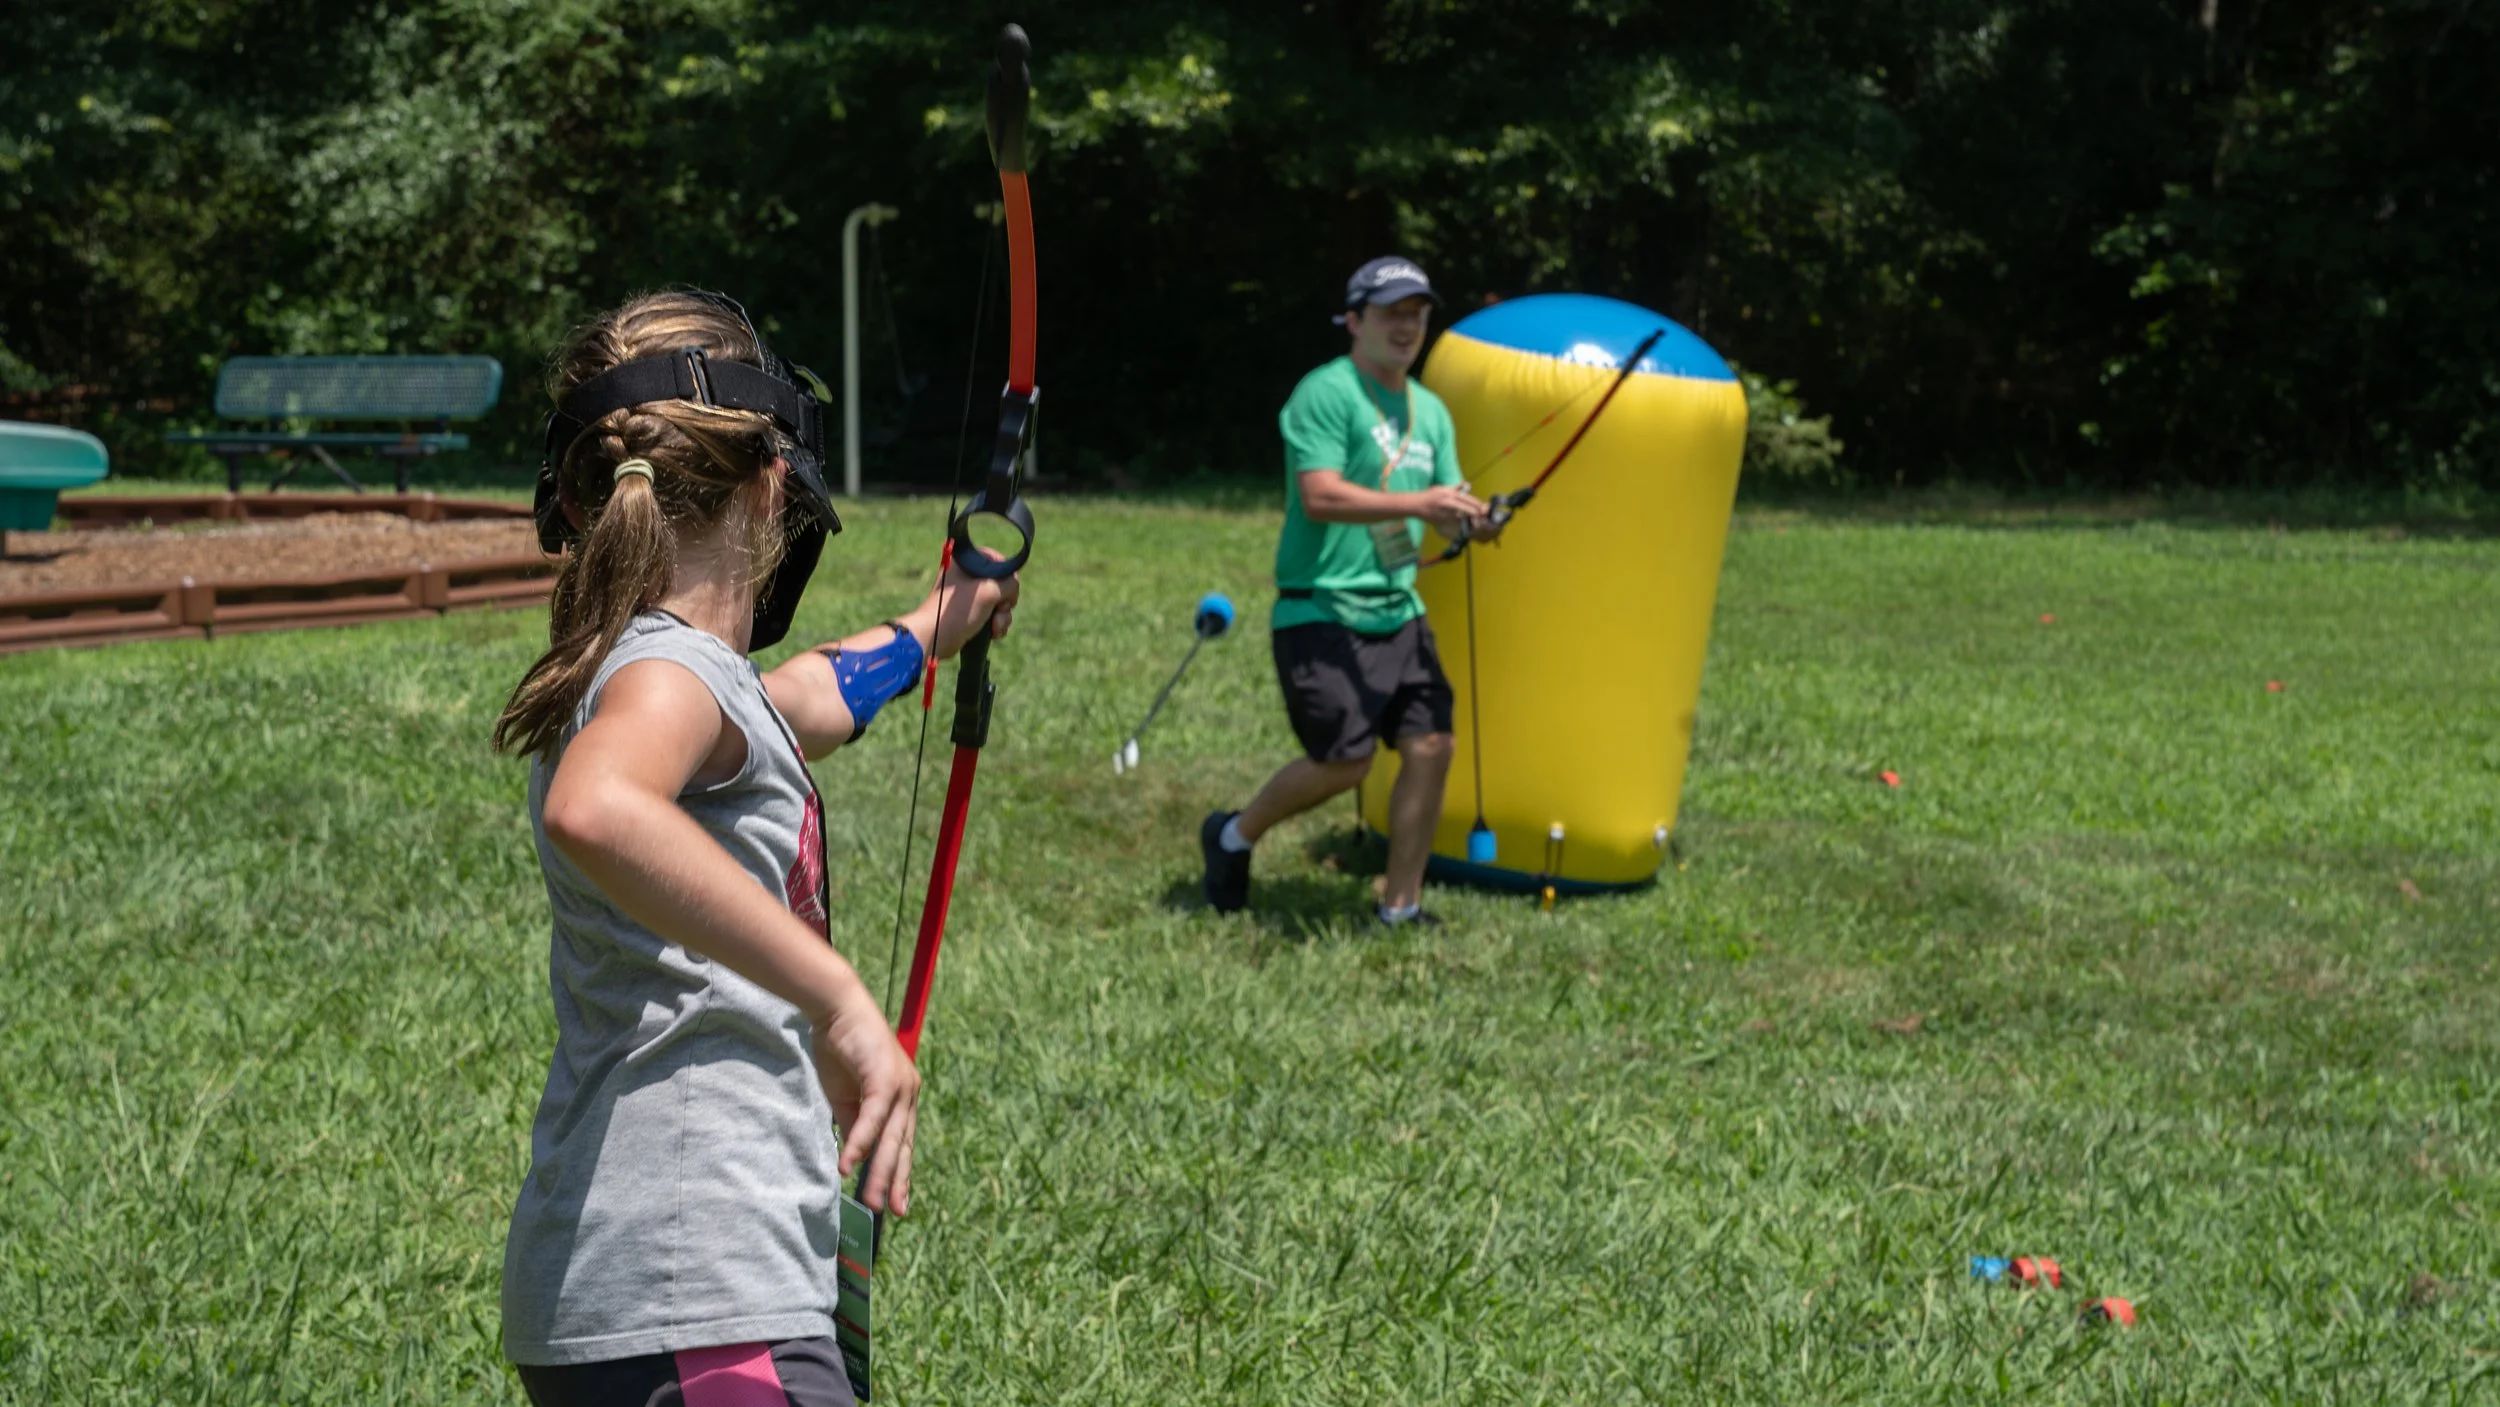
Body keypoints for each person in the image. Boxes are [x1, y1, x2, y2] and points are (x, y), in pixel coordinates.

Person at [493, 291, 1016, 1406]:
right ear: (778, 480)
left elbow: (805, 700)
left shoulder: (670, 673)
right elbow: (598, 805)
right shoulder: (665, 676)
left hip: (646, 1292)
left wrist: (939, 622)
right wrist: (837, 998)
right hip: (696, 1293)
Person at [1200, 257, 1498, 926]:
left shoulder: (1432, 412)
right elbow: (1321, 494)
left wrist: (1474, 521)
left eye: (1417, 314)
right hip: (1322, 608)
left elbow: (1443, 504)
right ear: (1355, 321)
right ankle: (1232, 835)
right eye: (1393, 312)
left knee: (1431, 745)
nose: (1407, 326)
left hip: (1401, 611)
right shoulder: (1325, 393)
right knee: (1345, 762)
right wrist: (1423, 501)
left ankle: (1401, 904)